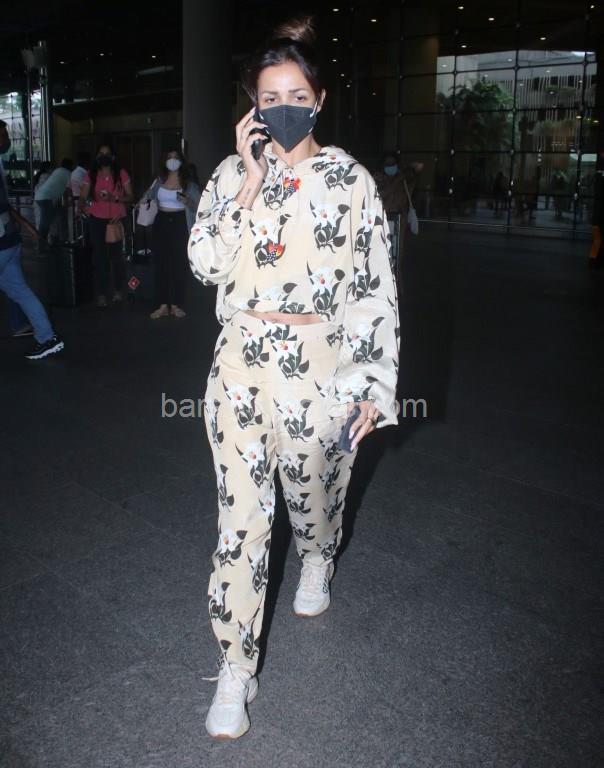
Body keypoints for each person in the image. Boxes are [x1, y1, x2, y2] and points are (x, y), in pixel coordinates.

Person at [188, 16, 400, 740]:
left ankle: (317, 553)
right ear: (251, 105)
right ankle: (234, 667)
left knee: (312, 492)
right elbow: (204, 264)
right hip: (240, 364)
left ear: (319, 100)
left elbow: (373, 288)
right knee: (241, 523)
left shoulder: (350, 182)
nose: (282, 107)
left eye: (296, 95)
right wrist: (249, 182)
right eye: (268, 96)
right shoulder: (230, 176)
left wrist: (370, 383)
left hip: (319, 365)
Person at [0, 119, 64, 359]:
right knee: (20, 291)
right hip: (10, 243)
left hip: (3, 244)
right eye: (4, 135)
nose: (7, 141)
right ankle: (47, 338)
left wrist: (27, 226)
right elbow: (5, 205)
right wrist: (27, 226)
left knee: (20, 291)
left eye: (6, 135)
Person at [138, 149, 200, 318]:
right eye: (169, 158)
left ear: (181, 161)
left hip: (180, 222)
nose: (172, 161)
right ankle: (162, 304)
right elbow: (147, 196)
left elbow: (200, 206)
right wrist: (144, 200)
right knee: (161, 264)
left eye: (175, 158)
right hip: (161, 221)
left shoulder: (189, 183)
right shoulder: (159, 181)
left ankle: (177, 304)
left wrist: (188, 201)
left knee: (179, 264)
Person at [78, 143, 133, 307]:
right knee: (99, 258)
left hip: (115, 219)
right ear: (96, 157)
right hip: (96, 219)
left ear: (113, 157)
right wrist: (82, 207)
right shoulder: (90, 175)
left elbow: (131, 196)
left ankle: (118, 290)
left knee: (117, 257)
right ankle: (101, 293)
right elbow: (82, 197)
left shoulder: (121, 174)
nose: (104, 156)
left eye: (107, 153)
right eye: (101, 153)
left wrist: (114, 198)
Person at [34, 158, 73, 251]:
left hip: (42, 197)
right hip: (46, 198)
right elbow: (68, 190)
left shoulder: (57, 171)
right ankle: (42, 247)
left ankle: (49, 243)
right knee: (45, 223)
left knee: (50, 220)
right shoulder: (67, 173)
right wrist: (69, 200)